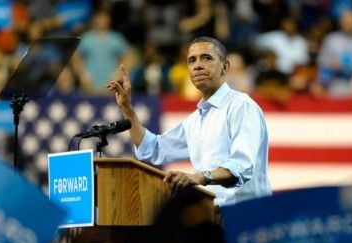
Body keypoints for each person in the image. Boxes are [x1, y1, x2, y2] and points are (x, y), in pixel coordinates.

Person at [108, 36, 272, 206]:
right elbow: (152, 149)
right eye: (192, 61)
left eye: (206, 58)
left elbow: (241, 166)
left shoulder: (241, 105)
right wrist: (127, 109)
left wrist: (199, 177)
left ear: (225, 66)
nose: (198, 65)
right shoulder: (195, 121)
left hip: (247, 216)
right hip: (212, 217)